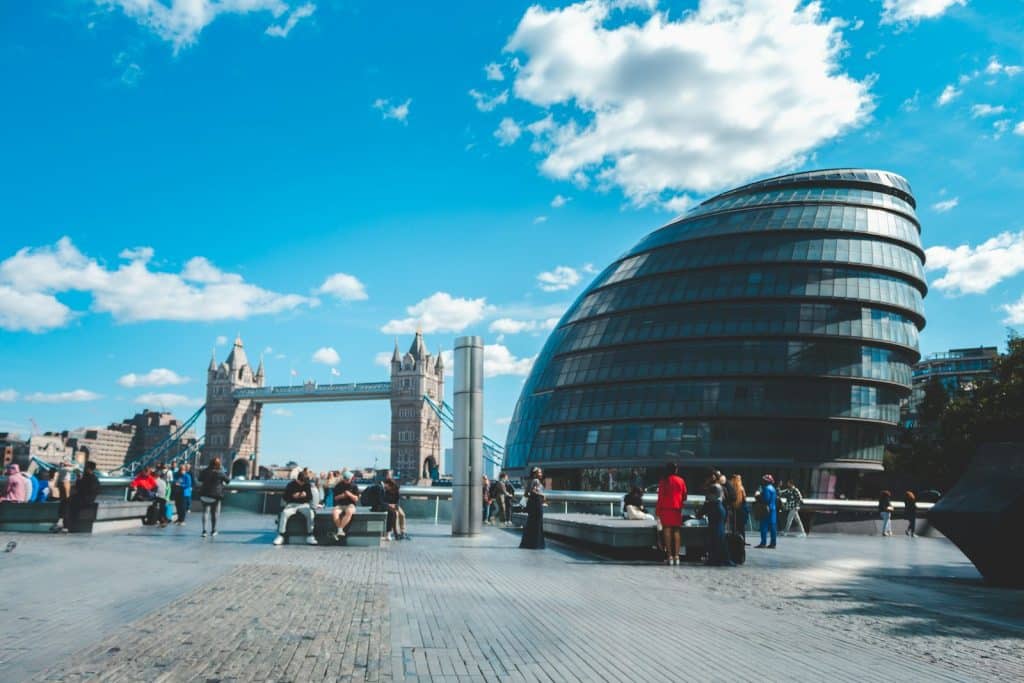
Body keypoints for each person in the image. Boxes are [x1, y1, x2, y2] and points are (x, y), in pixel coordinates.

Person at [655, 462, 687, 565]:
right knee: (676, 531)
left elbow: (660, 497)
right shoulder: (681, 481)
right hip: (677, 509)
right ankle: (677, 556)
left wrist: (657, 511)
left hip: (665, 509)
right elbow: (685, 495)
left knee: (667, 531)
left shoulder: (663, 481)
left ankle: (669, 557)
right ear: (675, 470)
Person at [273, 470, 317, 546]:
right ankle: (281, 535)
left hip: (304, 504)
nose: (303, 484)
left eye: (304, 482)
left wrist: (305, 495)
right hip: (291, 504)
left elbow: (310, 497)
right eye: (301, 482)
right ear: (298, 480)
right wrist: (293, 496)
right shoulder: (290, 485)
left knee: (310, 514)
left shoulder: (307, 485)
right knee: (284, 513)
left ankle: (310, 535)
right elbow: (285, 497)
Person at [700, 488, 733, 566]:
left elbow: (700, 513)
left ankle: (715, 559)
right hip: (719, 525)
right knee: (721, 541)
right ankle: (722, 559)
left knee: (715, 541)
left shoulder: (711, 504)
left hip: (715, 525)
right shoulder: (719, 503)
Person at [198, 457, 229, 538]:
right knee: (214, 513)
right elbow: (228, 481)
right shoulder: (220, 472)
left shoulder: (205, 471)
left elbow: (199, 479)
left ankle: (204, 531)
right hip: (215, 495)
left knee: (205, 512)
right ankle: (213, 530)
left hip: (204, 494)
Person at [519, 467, 546, 549]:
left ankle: (529, 543)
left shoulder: (530, 480)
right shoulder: (536, 480)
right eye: (539, 472)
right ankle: (536, 543)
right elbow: (532, 491)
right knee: (537, 523)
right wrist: (542, 495)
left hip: (532, 504)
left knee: (531, 523)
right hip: (536, 504)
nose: (541, 474)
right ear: (535, 473)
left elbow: (527, 492)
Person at [331, 469, 360, 541]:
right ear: (344, 479)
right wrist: (342, 496)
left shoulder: (354, 486)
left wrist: (349, 495)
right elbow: (335, 498)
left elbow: (356, 499)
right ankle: (340, 530)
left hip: (350, 505)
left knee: (349, 512)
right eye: (347, 479)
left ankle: (340, 529)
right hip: (340, 504)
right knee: (335, 512)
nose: (348, 481)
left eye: (349, 479)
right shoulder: (338, 486)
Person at [755, 474, 778, 549]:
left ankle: (763, 543)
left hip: (766, 510)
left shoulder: (766, 488)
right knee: (772, 527)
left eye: (764, 480)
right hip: (773, 509)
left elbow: (765, 500)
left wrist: (757, 496)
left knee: (763, 526)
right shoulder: (773, 488)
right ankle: (773, 543)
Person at [726, 474, 747, 540]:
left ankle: (735, 538)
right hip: (741, 508)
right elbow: (744, 499)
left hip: (734, 508)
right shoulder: (741, 487)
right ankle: (742, 539)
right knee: (741, 525)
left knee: (734, 525)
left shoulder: (732, 487)